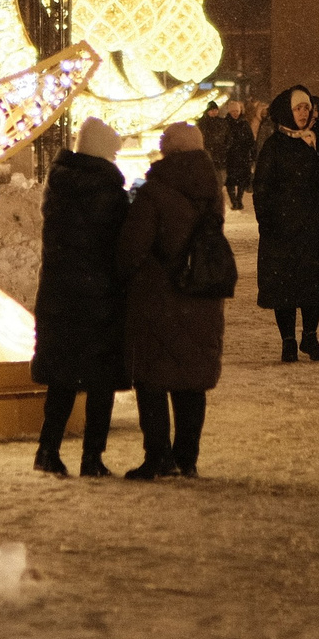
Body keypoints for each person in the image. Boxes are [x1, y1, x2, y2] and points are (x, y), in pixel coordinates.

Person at [116, 122, 227, 479]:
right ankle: (186, 457)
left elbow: (131, 249)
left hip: (158, 298)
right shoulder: (211, 189)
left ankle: (159, 456)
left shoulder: (155, 192)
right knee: (191, 380)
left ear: (169, 151)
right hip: (201, 291)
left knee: (153, 379)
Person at [30, 116, 130, 476]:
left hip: (60, 295)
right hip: (99, 298)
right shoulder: (108, 192)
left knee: (63, 377)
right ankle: (92, 457)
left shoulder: (59, 186)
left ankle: (48, 449)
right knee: (101, 380)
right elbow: (119, 245)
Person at [255, 86, 319, 360]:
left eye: (306, 108)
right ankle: (288, 341)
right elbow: (262, 187)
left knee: (314, 284)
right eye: (298, 108)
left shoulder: (317, 141)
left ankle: (310, 337)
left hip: (314, 227)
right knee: (284, 287)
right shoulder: (274, 145)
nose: (303, 113)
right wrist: (266, 221)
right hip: (282, 228)